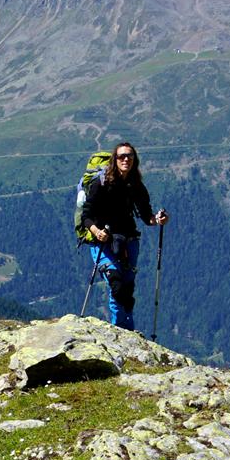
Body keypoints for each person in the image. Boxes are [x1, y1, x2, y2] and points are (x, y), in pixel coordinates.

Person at [81, 142, 168, 332]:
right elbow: (85, 216)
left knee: (127, 290)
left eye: (129, 156)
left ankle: (127, 331)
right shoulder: (101, 184)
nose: (126, 159)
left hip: (129, 242)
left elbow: (147, 217)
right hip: (102, 243)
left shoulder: (136, 186)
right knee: (117, 286)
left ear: (134, 159)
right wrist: (97, 232)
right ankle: (120, 331)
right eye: (121, 156)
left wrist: (158, 220)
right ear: (115, 159)